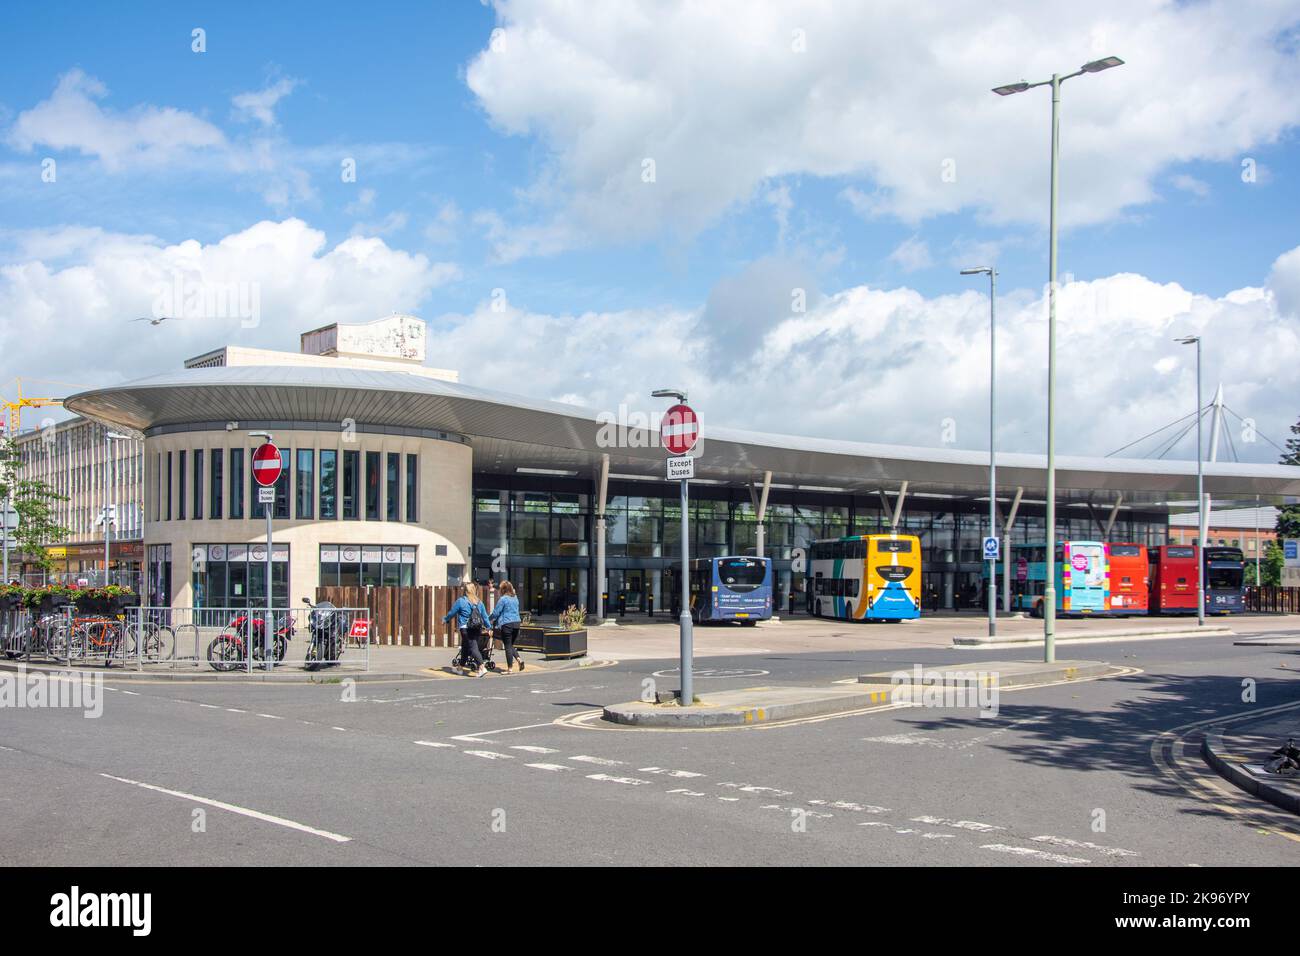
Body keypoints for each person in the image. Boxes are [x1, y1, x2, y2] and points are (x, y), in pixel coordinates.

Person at [443, 582, 492, 677]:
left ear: (465, 591)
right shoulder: (479, 602)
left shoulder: (461, 601)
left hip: (466, 628)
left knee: (473, 647)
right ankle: (460, 668)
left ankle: (482, 667)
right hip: (477, 628)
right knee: (465, 647)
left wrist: (445, 619)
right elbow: (485, 616)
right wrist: (489, 627)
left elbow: (452, 612)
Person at [490, 580, 524, 673]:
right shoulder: (515, 598)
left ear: (503, 589)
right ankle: (519, 659)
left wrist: (488, 618)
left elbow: (496, 613)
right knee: (510, 645)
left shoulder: (503, 599)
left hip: (507, 624)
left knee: (508, 646)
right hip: (517, 623)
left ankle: (510, 669)